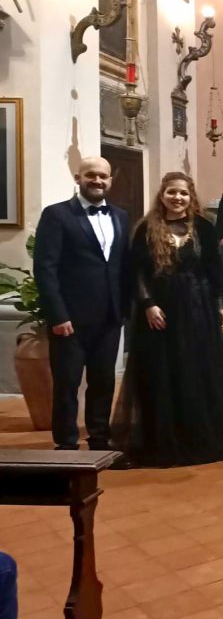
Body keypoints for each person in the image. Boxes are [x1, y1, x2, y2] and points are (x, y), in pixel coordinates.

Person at [111, 173, 223, 466]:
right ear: (162, 195)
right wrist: (148, 304)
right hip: (160, 310)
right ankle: (161, 438)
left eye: (183, 193)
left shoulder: (203, 227)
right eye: (171, 193)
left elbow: (214, 270)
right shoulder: (146, 227)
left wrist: (221, 306)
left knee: (194, 370)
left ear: (191, 197)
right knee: (162, 371)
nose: (177, 198)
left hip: (197, 308)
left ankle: (195, 436)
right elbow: (137, 271)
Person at [34, 157, 131, 452]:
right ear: (78, 178)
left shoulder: (121, 216)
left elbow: (123, 265)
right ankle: (65, 444)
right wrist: (58, 315)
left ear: (110, 181)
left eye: (103, 176)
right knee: (67, 385)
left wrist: (126, 311)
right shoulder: (57, 215)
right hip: (70, 320)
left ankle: (99, 439)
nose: (97, 181)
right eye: (91, 175)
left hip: (109, 318)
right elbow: (45, 269)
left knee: (103, 382)